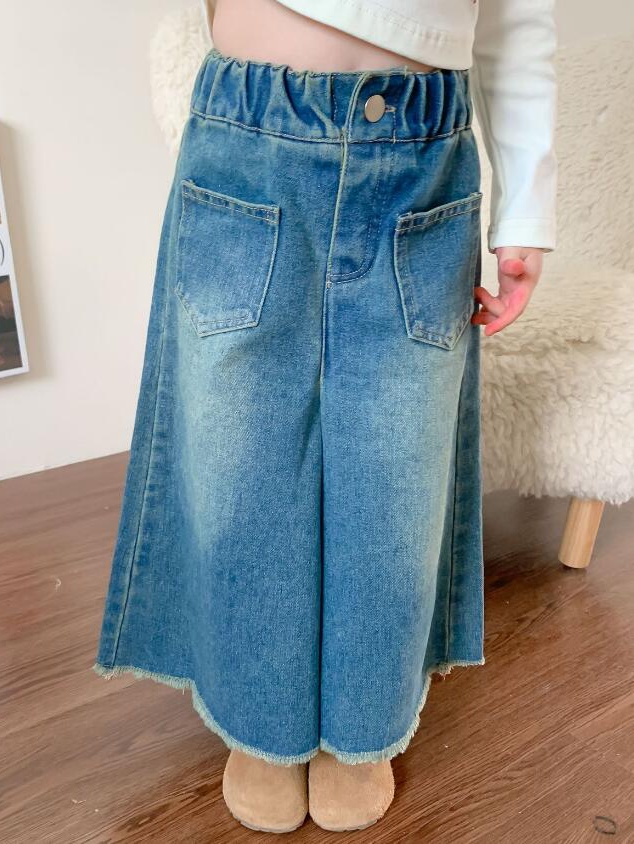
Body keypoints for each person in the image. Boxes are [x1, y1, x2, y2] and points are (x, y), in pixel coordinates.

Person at [94, 0, 558, 834]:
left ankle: (362, 727)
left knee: (397, 469)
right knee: (240, 458)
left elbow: (521, 14)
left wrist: (526, 208)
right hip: (249, 141)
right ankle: (261, 722)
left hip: (420, 158)